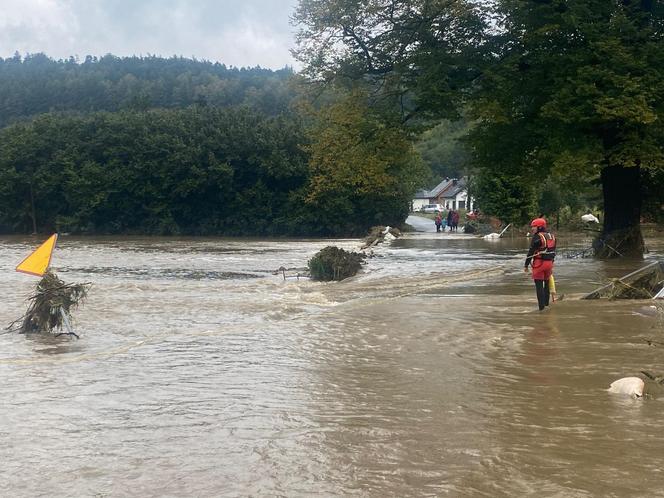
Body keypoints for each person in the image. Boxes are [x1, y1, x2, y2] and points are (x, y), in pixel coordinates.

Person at [524, 217, 556, 310]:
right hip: (549, 264)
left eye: (534, 227)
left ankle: (541, 308)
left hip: (539, 264)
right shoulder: (552, 236)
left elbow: (531, 252)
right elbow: (553, 251)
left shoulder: (537, 237)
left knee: (539, 286)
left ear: (539, 227)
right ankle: (546, 305)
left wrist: (526, 265)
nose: (532, 229)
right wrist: (551, 263)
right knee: (546, 284)